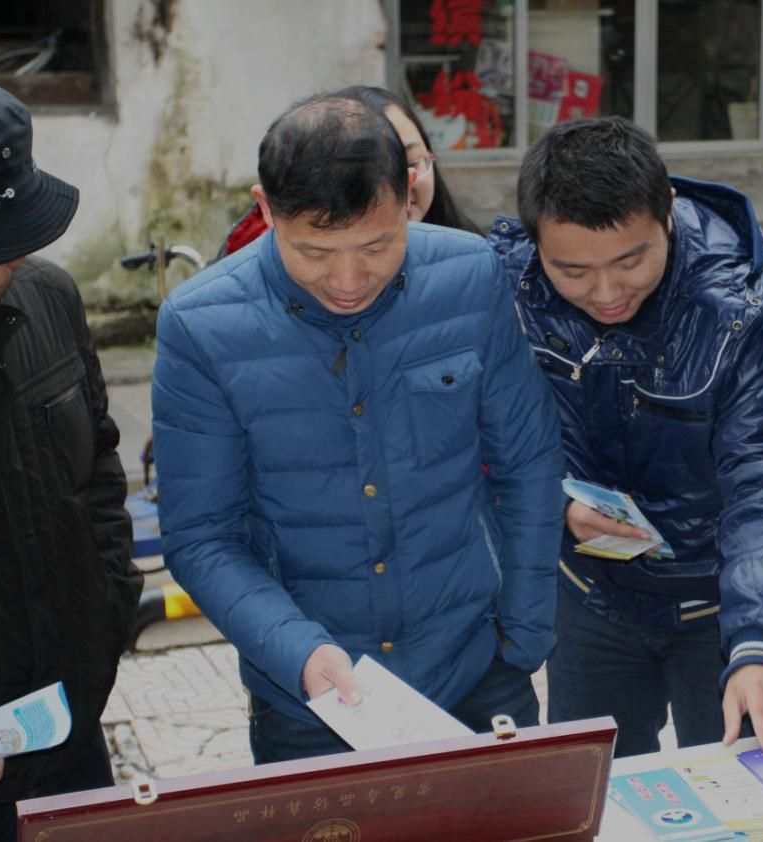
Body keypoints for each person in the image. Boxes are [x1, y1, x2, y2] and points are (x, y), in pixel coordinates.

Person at [151, 90, 565, 764]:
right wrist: (297, 650)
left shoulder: (469, 277)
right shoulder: (201, 327)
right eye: (315, 252)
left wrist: (523, 630)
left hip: (475, 667)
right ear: (266, 209)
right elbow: (202, 536)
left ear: (410, 194)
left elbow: (528, 463)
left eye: (377, 245)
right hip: (311, 696)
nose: (348, 279)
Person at [488, 117, 763, 759]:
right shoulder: (506, 288)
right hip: (588, 596)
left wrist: (761, 640)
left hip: (720, 604)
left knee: (741, 789)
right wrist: (554, 507)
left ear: (667, 210)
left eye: (630, 260)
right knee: (594, 786)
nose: (607, 293)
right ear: (536, 243)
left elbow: (761, 478)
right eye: (573, 271)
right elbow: (481, 440)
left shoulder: (742, 308)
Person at [0, 82, 141, 839]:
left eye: (8, 244)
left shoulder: (50, 297)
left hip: (65, 719)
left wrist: (109, 612)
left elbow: (99, 470)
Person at [218, 85, 478, 258]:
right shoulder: (248, 262)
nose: (396, 186)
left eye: (411, 162)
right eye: (317, 253)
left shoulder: (477, 258)